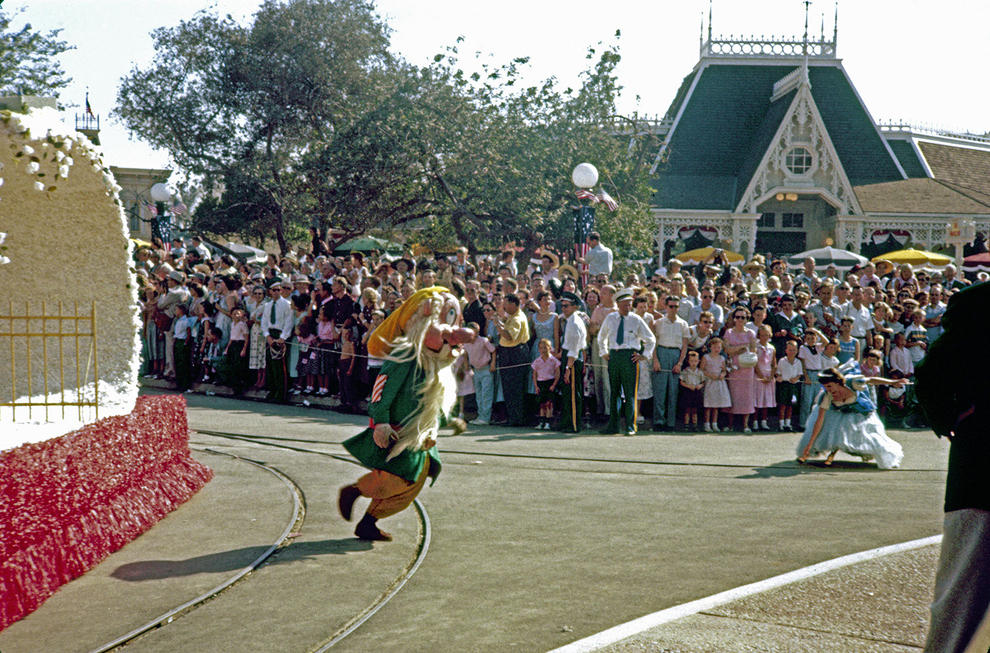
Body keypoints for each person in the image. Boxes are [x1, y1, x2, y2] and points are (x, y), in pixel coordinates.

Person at [338, 288, 473, 541]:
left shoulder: (434, 362)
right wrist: (380, 422)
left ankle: (368, 522)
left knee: (411, 485)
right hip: (398, 431)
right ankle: (355, 491)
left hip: (421, 435)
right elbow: (382, 390)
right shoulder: (406, 353)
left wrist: (447, 420)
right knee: (395, 480)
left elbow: (430, 399)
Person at [917, 281, 990, 653]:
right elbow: (932, 374)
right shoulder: (980, 304)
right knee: (964, 585)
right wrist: (955, 418)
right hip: (985, 467)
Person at [796, 366, 907, 468]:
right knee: (836, 432)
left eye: (829, 386)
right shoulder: (827, 396)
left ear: (838, 382)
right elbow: (819, 421)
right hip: (842, 414)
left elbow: (871, 380)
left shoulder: (852, 382)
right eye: (825, 387)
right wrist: (809, 444)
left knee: (870, 438)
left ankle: (870, 453)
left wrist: (893, 382)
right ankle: (831, 452)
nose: (828, 390)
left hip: (862, 414)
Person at [597, 287, 655, 436]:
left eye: (629, 304)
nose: (627, 307)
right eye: (624, 304)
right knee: (614, 391)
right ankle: (613, 426)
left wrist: (644, 355)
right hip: (614, 356)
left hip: (630, 356)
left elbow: (650, 339)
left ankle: (630, 426)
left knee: (630, 393)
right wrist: (604, 352)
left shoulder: (636, 319)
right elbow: (601, 337)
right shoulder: (610, 318)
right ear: (618, 304)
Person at [651, 293, 689, 431]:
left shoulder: (683, 324)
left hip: (675, 354)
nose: (673, 309)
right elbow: (653, 343)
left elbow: (684, 345)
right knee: (660, 390)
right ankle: (658, 421)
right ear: (666, 307)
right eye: (671, 306)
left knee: (673, 391)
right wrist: (655, 360)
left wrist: (679, 363)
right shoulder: (659, 323)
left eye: (676, 307)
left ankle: (670, 423)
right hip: (661, 352)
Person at [495, 294, 531, 427]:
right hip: (508, 353)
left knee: (515, 387)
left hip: (515, 353)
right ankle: (513, 417)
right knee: (508, 388)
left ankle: (517, 419)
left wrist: (498, 326)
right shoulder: (511, 316)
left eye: (506, 304)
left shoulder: (517, 318)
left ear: (514, 304)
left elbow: (509, 336)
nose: (504, 307)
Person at [557, 291, 588, 433]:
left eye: (567, 306)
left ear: (575, 307)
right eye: (562, 306)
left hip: (573, 360)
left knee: (573, 394)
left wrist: (568, 368)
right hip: (568, 356)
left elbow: (574, 348)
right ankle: (567, 422)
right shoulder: (569, 320)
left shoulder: (574, 323)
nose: (563, 308)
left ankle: (574, 424)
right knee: (567, 393)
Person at [725, 306, 757, 432]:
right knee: (732, 396)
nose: (739, 319)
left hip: (747, 369)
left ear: (746, 319)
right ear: (734, 318)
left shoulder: (751, 333)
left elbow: (753, 351)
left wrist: (737, 349)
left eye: (742, 317)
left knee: (746, 396)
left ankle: (745, 425)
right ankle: (730, 425)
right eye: (737, 317)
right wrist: (741, 348)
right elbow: (727, 350)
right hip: (733, 368)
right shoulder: (729, 332)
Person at [462, 321, 496, 426]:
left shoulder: (483, 341)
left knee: (486, 394)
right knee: (479, 395)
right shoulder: (466, 343)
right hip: (476, 371)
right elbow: (465, 354)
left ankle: (485, 418)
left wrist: (493, 364)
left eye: (477, 332)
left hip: (485, 370)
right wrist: (466, 365)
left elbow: (493, 350)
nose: (475, 335)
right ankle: (480, 416)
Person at [701, 337, 731, 432]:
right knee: (709, 405)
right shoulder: (706, 357)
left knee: (716, 405)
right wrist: (710, 375)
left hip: (719, 382)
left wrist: (722, 374)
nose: (717, 349)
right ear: (710, 347)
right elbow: (702, 369)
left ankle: (714, 424)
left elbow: (724, 370)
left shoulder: (722, 358)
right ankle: (707, 424)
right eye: (714, 347)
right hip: (710, 382)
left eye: (719, 347)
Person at [531, 338, 561, 430]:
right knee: (542, 404)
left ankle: (548, 422)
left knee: (549, 404)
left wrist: (554, 384)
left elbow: (557, 373)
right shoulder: (537, 361)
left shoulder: (553, 360)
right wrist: (536, 386)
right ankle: (541, 422)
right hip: (541, 383)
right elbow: (534, 374)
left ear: (549, 348)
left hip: (550, 382)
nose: (543, 350)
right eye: (541, 348)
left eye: (545, 348)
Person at [776, 339, 803, 431]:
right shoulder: (782, 361)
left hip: (793, 386)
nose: (792, 352)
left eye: (794, 350)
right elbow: (778, 372)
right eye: (790, 350)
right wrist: (779, 377)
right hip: (784, 385)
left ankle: (788, 424)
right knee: (782, 405)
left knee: (790, 405)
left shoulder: (798, 362)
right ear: (786, 350)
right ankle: (781, 424)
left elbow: (800, 373)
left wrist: (796, 378)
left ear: (797, 351)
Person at [753, 324, 776, 431]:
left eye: (766, 335)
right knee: (757, 399)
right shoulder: (755, 347)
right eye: (762, 335)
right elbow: (755, 363)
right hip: (758, 375)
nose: (764, 337)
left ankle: (764, 421)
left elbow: (773, 363)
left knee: (766, 400)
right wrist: (760, 375)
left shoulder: (772, 348)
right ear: (759, 336)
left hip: (768, 376)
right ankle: (755, 421)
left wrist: (771, 376)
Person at [678, 350, 705, 431]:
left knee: (695, 410)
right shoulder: (685, 371)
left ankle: (694, 425)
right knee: (687, 409)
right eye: (692, 361)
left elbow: (703, 382)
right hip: (687, 392)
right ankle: (686, 425)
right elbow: (681, 382)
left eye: (696, 361)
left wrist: (699, 386)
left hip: (696, 392)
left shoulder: (700, 372)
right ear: (688, 361)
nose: (694, 363)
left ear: (698, 361)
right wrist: (689, 386)